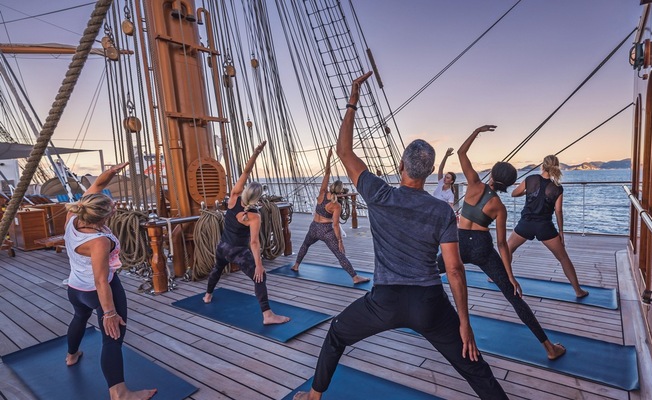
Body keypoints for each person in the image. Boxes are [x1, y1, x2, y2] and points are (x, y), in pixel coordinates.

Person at [292, 73, 508, 400]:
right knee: (474, 366)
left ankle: (312, 398)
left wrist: (353, 96)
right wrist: (465, 322)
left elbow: (344, 151)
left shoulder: (379, 193)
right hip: (429, 304)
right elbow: (453, 270)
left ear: (400, 166)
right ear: (428, 172)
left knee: (336, 334)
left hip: (385, 302)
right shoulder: (440, 211)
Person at [437, 125, 567, 361]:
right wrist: (510, 276)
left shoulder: (474, 183)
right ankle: (549, 348)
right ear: (508, 184)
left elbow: (462, 154)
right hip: (481, 247)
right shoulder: (499, 206)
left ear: (493, 175)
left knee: (427, 270)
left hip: (457, 243)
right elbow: (501, 244)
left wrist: (476, 131)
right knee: (513, 297)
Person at [64, 162, 157, 400]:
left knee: (79, 317)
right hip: (101, 291)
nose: (115, 207)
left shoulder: (74, 215)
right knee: (113, 337)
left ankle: (72, 355)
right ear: (104, 216)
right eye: (112, 207)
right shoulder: (99, 242)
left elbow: (97, 184)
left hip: (75, 288)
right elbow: (100, 280)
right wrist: (109, 313)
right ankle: (120, 393)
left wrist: (111, 173)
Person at [203, 142, 291, 325]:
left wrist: (255, 153)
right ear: (257, 198)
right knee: (260, 277)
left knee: (217, 269)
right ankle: (268, 315)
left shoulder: (234, 197)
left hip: (222, 247)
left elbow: (246, 172)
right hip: (238, 251)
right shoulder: (254, 215)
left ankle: (207, 295)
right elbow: (254, 243)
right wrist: (259, 265)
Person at [508, 155, 589, 298]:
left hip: (526, 224)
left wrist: (528, 191)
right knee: (563, 258)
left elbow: (514, 194)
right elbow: (558, 211)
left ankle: (494, 277)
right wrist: (561, 232)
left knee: (507, 249)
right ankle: (578, 291)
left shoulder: (530, 179)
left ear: (542, 166)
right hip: (544, 226)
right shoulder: (557, 188)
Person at [291, 147, 370, 284]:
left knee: (305, 245)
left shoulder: (322, 193)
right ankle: (355, 277)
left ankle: (296, 265)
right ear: (340, 192)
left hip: (314, 227)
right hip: (326, 230)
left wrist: (328, 158)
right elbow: (335, 225)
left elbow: (327, 172)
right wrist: (340, 241)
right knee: (340, 255)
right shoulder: (336, 205)